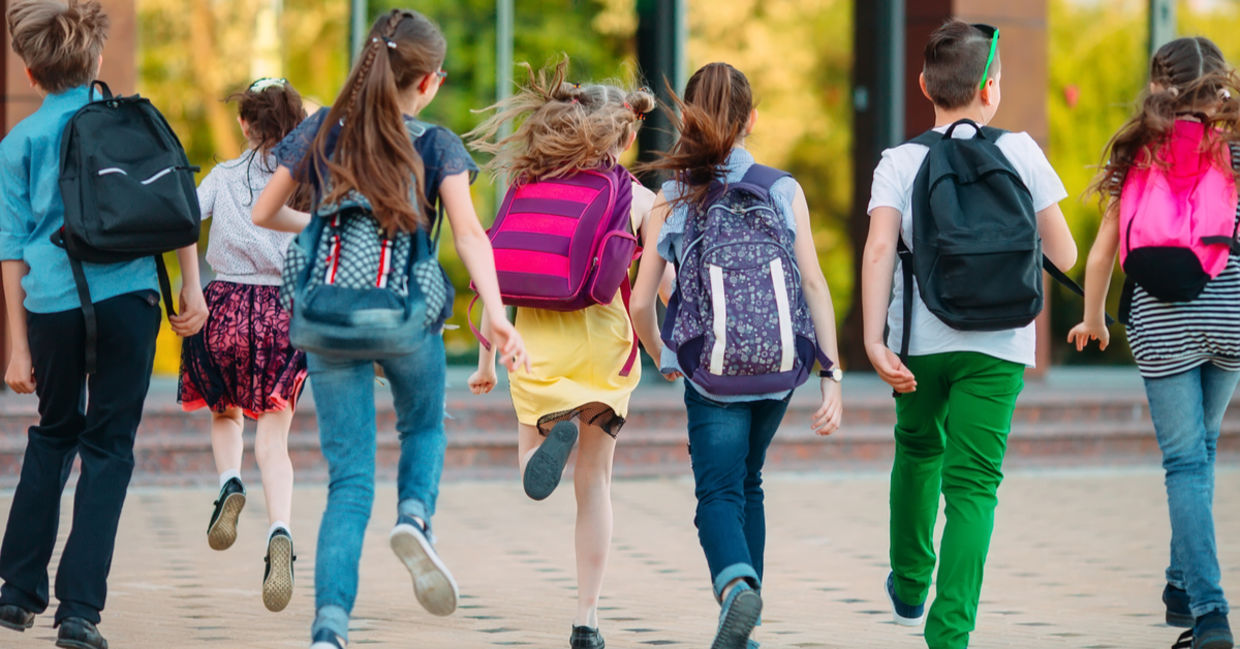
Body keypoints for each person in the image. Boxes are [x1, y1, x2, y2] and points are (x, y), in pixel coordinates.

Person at [250, 9, 526, 649]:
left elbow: (265, 211)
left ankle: (329, 630)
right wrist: (496, 313)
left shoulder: (322, 131)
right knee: (424, 425)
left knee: (347, 483)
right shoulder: (435, 144)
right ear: (428, 82)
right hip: (404, 320)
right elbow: (467, 235)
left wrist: (321, 233)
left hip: (327, 321)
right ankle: (415, 517)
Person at [861, 20, 1077, 649]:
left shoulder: (900, 162)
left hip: (919, 343)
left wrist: (875, 342)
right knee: (975, 487)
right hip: (1002, 343)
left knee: (918, 449)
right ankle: (949, 634)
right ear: (992, 92)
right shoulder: (1022, 152)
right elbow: (1062, 252)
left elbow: (879, 250)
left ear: (925, 84)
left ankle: (908, 579)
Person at [0, 1, 208, 648]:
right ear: (94, 61)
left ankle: (15, 589)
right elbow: (177, 202)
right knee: (109, 446)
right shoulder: (136, 121)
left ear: (30, 74)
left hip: (53, 307)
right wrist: (192, 287)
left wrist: (15, 346)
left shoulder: (18, 142)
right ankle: (79, 612)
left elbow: (9, 246)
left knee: (54, 434)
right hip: (132, 302)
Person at [629, 62, 843, 649]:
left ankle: (735, 589)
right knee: (749, 482)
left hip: (712, 372)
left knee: (717, 493)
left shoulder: (671, 196)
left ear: (690, 118)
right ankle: (744, 621)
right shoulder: (782, 188)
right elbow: (815, 286)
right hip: (779, 372)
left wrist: (664, 355)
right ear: (752, 119)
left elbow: (643, 300)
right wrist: (832, 375)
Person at [464, 57, 657, 649]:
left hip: (533, 340)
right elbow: (657, 292)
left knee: (530, 462)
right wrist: (667, 356)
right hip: (605, 341)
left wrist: (484, 362)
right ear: (622, 136)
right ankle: (587, 619)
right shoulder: (641, 198)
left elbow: (492, 272)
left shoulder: (525, 188)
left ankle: (545, 446)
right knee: (594, 485)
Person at [1068, 37, 1240, 649]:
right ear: (1219, 83)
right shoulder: (1237, 150)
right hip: (1231, 315)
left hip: (1162, 320)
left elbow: (1102, 253)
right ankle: (1180, 585)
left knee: (1185, 463)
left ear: (1158, 84)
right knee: (1204, 449)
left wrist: (1094, 320)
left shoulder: (1140, 150)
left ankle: (1210, 614)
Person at [180, 77, 312, 613]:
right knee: (274, 442)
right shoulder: (304, 180)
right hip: (282, 313)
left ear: (243, 122)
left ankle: (229, 482)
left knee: (226, 415)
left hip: (222, 309)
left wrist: (192, 285)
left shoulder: (223, 175)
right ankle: (279, 531)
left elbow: (181, 218)